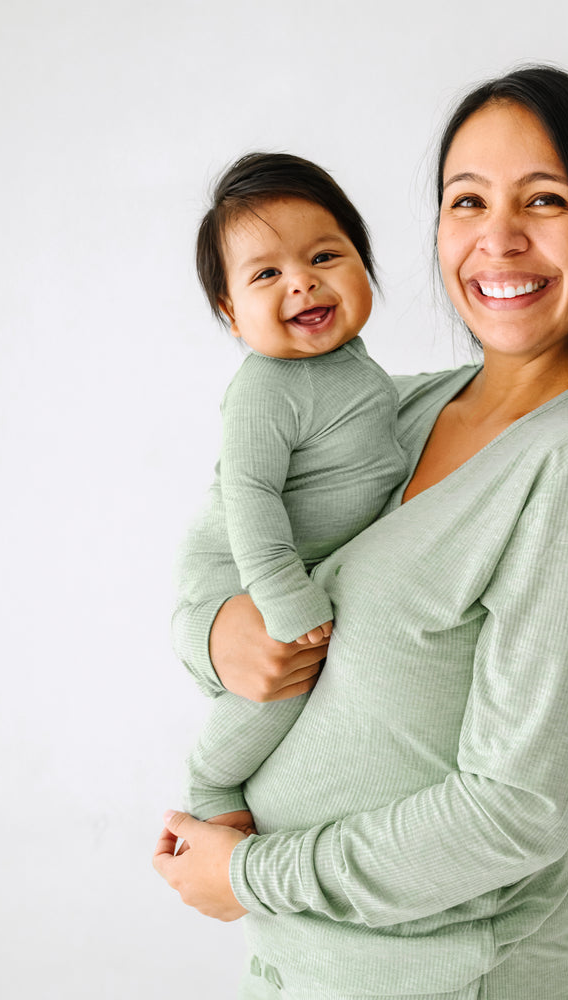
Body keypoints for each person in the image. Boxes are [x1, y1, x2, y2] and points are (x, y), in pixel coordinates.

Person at [155, 65, 568, 1000]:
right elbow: (215, 555)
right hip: (305, 965)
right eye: (467, 201)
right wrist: (217, 633)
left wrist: (249, 877)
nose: (499, 238)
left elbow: (511, 815)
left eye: (545, 199)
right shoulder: (394, 411)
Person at [177, 152, 407, 828]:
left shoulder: (356, 368)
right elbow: (250, 494)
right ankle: (210, 786)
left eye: (325, 257)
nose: (302, 285)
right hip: (242, 573)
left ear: (363, 264)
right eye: (268, 274)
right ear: (231, 311)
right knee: (280, 683)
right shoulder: (263, 389)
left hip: (290, 574)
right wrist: (279, 593)